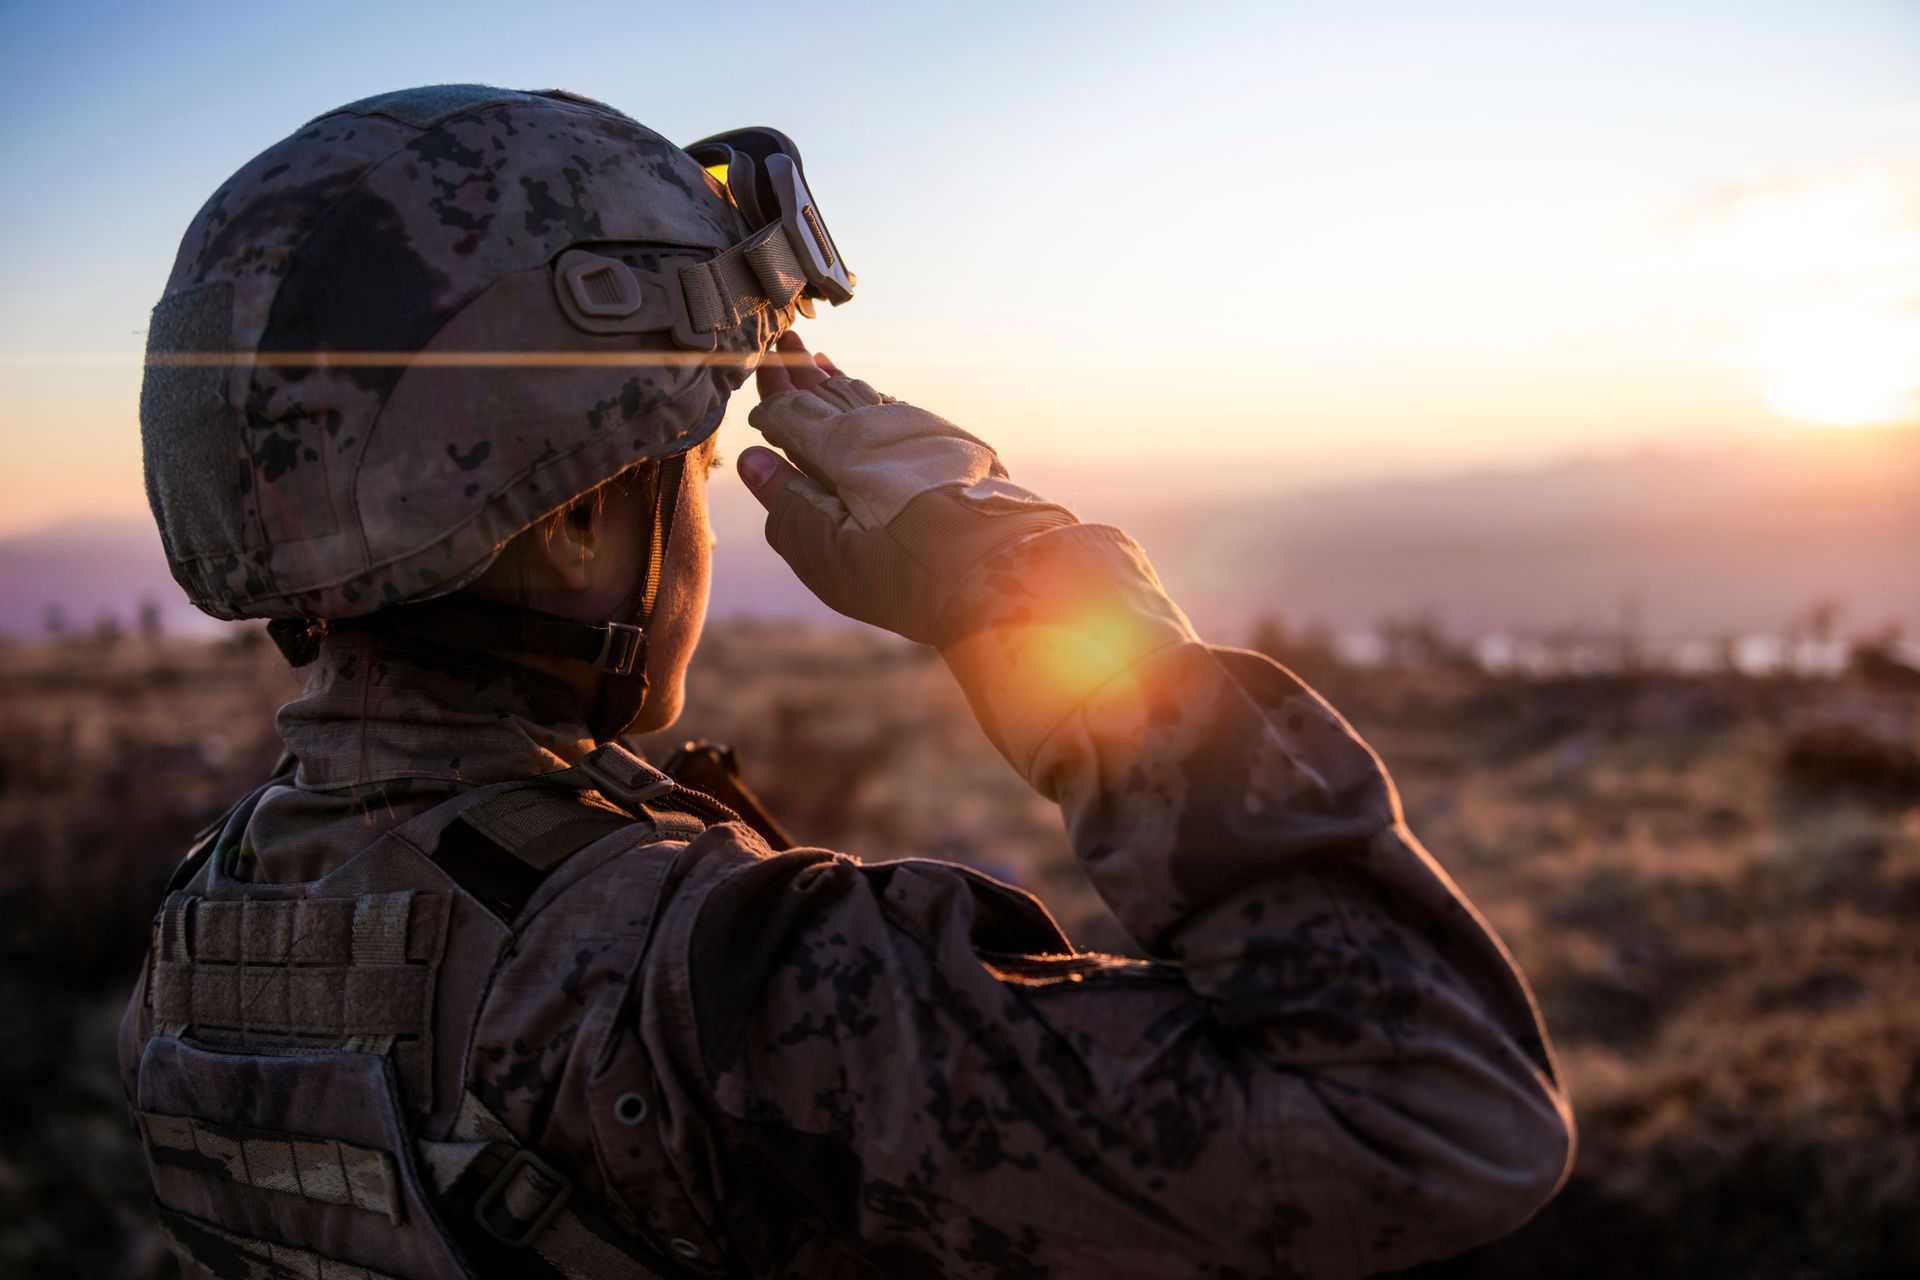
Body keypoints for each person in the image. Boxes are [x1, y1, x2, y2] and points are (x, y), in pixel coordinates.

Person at [120, 84, 1572, 1280]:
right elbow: (1433, 1115)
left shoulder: (209, 929)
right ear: (571, 526)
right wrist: (1036, 588)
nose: (700, 519)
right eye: (691, 469)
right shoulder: (721, 982)